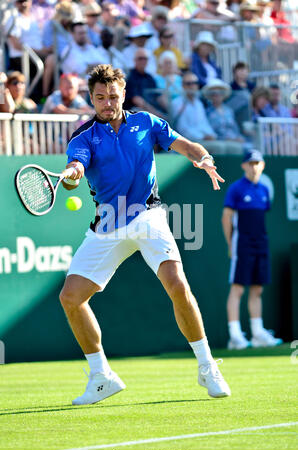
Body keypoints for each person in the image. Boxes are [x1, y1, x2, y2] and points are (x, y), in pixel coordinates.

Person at [59, 63, 231, 405]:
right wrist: (73, 173)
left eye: (113, 96)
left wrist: (204, 157)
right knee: (70, 297)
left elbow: (186, 145)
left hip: (147, 215)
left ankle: (207, 366)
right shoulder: (82, 138)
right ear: (91, 99)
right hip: (107, 223)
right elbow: (76, 168)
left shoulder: (146, 122)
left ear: (123, 94)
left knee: (178, 284)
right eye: (100, 98)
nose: (107, 103)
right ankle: (101, 375)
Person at [221, 149, 283, 349]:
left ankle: (257, 333)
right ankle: (235, 336)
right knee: (238, 288)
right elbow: (226, 217)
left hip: (261, 243)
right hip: (242, 244)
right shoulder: (236, 189)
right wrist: (231, 244)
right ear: (244, 166)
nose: (254, 167)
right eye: (251, 163)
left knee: (257, 288)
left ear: (262, 166)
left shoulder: (264, 190)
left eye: (258, 163)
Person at [170, 71, 216, 142]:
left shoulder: (199, 103)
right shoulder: (177, 103)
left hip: (202, 140)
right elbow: (183, 129)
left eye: (195, 83)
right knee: (220, 148)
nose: (192, 86)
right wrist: (202, 138)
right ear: (183, 86)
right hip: (187, 143)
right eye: (189, 83)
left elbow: (204, 123)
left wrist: (212, 135)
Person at [202, 78, 245, 154]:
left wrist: (238, 138)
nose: (217, 95)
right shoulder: (207, 112)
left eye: (220, 93)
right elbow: (211, 132)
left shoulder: (229, 111)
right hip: (221, 142)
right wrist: (229, 139)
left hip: (234, 140)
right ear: (211, 95)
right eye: (214, 93)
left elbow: (235, 128)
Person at [124, 48, 166, 117]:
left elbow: (158, 97)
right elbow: (137, 100)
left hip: (151, 109)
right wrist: (155, 113)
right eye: (140, 58)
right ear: (135, 60)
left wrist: (169, 109)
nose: (143, 61)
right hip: (135, 112)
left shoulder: (149, 77)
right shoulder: (130, 77)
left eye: (145, 58)